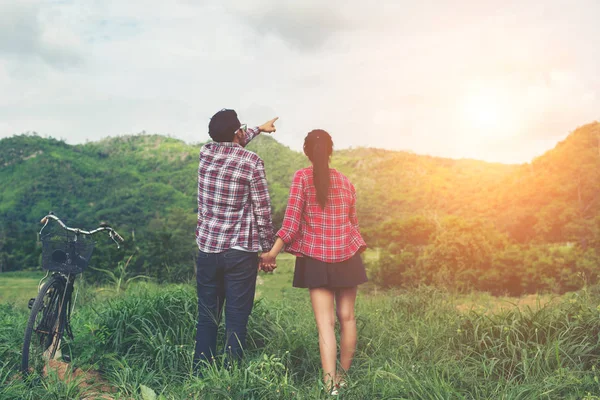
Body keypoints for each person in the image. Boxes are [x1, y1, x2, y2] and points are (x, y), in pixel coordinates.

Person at [260, 129, 367, 394]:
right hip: (347, 256)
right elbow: (353, 223)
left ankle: (330, 385)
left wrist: (271, 253)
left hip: (317, 258)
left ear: (307, 152)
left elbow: (291, 223)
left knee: (325, 323)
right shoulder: (345, 181)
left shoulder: (302, 178)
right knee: (348, 318)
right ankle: (342, 378)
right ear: (331, 151)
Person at [194, 108, 278, 373]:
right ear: (237, 132)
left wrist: (257, 129)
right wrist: (267, 250)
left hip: (207, 249)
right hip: (240, 252)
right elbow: (262, 210)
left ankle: (200, 374)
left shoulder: (205, 154)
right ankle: (230, 377)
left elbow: (231, 142)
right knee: (236, 319)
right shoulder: (251, 162)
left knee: (207, 318)